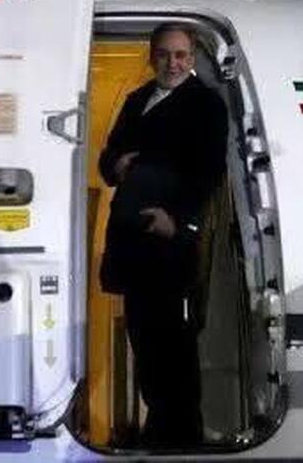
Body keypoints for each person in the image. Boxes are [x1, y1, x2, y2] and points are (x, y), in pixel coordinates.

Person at [98, 22, 228, 447]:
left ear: (192, 59)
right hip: (132, 236)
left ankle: (181, 432)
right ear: (151, 56)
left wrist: (177, 220)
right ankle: (159, 426)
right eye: (165, 55)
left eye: (181, 55)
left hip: (168, 239)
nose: (173, 63)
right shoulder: (137, 99)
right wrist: (116, 166)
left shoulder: (205, 105)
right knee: (143, 337)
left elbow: (209, 173)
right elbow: (107, 157)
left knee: (173, 341)